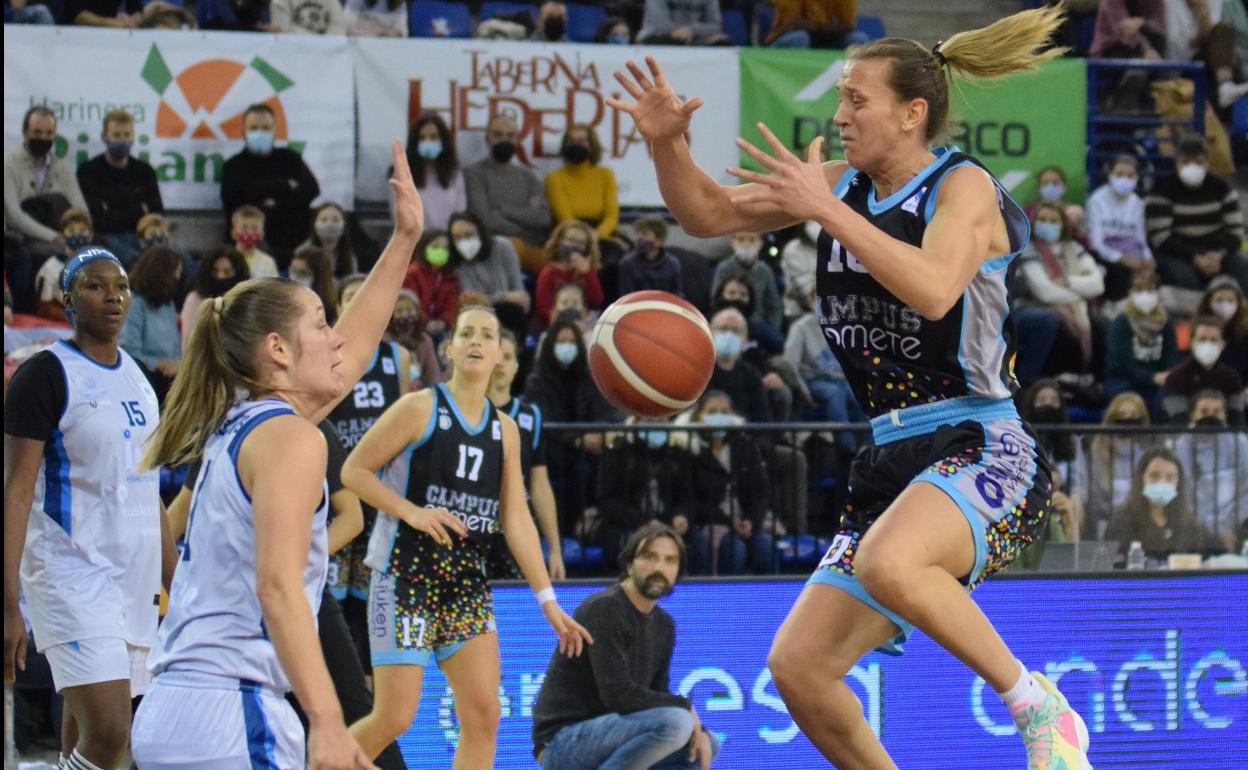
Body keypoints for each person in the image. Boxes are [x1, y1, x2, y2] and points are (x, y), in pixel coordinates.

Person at [608, 7, 1093, 767]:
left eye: (856, 101)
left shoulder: (961, 188)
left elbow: (934, 290)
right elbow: (705, 213)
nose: (838, 117)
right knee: (798, 669)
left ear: (913, 113)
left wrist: (825, 208)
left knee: (887, 564)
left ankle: (1040, 708)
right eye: (838, 99)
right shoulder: (838, 186)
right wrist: (667, 144)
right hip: (892, 456)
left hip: (985, 444)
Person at [128, 141, 417, 769]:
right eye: (319, 323)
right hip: (233, 711)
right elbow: (278, 585)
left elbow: (355, 350)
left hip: (175, 706)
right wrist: (328, 721)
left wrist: (404, 240)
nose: (334, 338)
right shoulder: (291, 439)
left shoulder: (248, 421)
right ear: (279, 350)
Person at [339, 305, 592, 763]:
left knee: (483, 713)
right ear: (450, 348)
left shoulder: (507, 430)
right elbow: (353, 470)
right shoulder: (418, 407)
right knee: (394, 716)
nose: (476, 341)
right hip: (404, 576)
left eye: (487, 336)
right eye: (467, 333)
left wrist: (547, 599)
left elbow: (516, 519)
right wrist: (411, 512)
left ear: (500, 355)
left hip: (464, 582)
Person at [5, 247, 177, 770]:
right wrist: (7, 601)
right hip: (71, 572)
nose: (113, 296)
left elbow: (150, 492)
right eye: (95, 286)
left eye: (121, 286)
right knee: (109, 732)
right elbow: (15, 491)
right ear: (68, 299)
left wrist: (181, 582)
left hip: (134, 574)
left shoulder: (142, 379)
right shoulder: (44, 374)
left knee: (84, 739)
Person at [163, 419, 409, 770]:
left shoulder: (318, 430)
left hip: (300, 596)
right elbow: (177, 515)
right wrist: (159, 581)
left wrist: (299, 564)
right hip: (236, 605)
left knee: (354, 708)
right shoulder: (231, 429)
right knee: (197, 718)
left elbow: (351, 518)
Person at [531, 523, 720, 770]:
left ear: (677, 572)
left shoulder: (665, 625)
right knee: (677, 724)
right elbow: (617, 695)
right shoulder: (604, 609)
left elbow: (657, 691)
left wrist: (698, 727)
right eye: (650, 557)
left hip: (615, 736)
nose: (659, 568)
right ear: (630, 565)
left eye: (669, 561)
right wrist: (685, 707)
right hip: (562, 742)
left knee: (705, 743)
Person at [326, 274, 413, 684]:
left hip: (377, 487)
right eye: (349, 297)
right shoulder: (324, 353)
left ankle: (368, 680)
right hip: (333, 484)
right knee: (331, 594)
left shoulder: (398, 357)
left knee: (368, 596)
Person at [525, 317, 621, 534]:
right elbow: (542, 418)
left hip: (590, 450)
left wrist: (598, 436)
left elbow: (604, 414)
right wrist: (577, 439)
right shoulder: (537, 381)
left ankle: (593, 521)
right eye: (561, 341)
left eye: (571, 341)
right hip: (554, 450)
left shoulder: (591, 378)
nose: (566, 346)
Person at [485, 329, 567, 580]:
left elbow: (540, 484)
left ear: (517, 365)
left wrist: (554, 549)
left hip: (516, 529)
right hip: (474, 527)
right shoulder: (463, 411)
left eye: (507, 357)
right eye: (495, 356)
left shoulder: (530, 417)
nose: (500, 364)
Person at [676, 392, 775, 575]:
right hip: (708, 523)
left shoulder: (745, 445)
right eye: (712, 412)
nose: (718, 417)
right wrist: (729, 521)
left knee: (765, 547)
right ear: (699, 416)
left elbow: (761, 490)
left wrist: (751, 521)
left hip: (745, 522)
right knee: (734, 550)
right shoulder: (688, 448)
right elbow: (687, 498)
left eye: (724, 412)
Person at [4, 106, 89, 313]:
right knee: (31, 257)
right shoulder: (9, 166)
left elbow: (81, 209)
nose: (43, 138)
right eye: (37, 133)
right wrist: (52, 237)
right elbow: (14, 215)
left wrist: (80, 232)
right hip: (23, 237)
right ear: (25, 133)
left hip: (62, 235)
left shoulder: (62, 168)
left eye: (48, 133)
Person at [1145, 134, 1248, 294]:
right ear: (1177, 162)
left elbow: (1235, 231)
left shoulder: (1221, 187)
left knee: (1243, 266)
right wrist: (1195, 258)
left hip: (1216, 250)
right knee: (1184, 277)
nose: (1192, 167)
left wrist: (1219, 255)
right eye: (1186, 162)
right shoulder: (1161, 189)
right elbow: (1160, 238)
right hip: (1177, 252)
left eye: (1199, 162)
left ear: (1207, 162)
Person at [1011, 201, 1105, 378]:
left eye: (1054, 221)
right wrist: (1080, 295)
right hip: (1035, 307)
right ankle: (1030, 382)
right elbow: (1045, 293)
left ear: (1063, 225)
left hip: (1076, 309)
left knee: (1100, 325)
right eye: (1043, 219)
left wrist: (1066, 282)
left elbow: (1097, 285)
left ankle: (1091, 382)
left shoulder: (1075, 249)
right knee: (1052, 323)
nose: (1047, 224)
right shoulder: (1028, 250)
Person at [221, 103, 321, 268]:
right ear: (243, 132)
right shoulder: (233, 166)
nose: (260, 132)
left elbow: (311, 189)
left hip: (292, 243)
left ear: (275, 130)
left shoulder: (291, 159)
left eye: (266, 128)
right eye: (254, 128)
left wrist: (272, 201)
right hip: (249, 247)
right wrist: (286, 185)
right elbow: (233, 201)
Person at [595, 416, 692, 566]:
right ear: (635, 422)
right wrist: (645, 522)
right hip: (626, 524)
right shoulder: (617, 452)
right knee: (634, 544)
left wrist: (681, 515)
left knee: (700, 543)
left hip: (667, 523)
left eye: (660, 421)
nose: (656, 426)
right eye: (650, 421)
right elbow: (607, 500)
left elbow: (686, 496)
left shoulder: (678, 454)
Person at [464, 114, 552, 272]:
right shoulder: (474, 173)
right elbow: (485, 219)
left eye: (510, 136)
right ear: (488, 139)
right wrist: (524, 228)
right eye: (498, 135)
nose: (504, 140)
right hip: (495, 246)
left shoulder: (529, 176)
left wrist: (504, 210)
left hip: (534, 247)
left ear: (517, 140)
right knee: (516, 247)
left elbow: (543, 219)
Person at [75, 110, 163, 266]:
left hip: (142, 238)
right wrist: (138, 212)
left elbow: (157, 214)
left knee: (179, 256)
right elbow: (98, 219)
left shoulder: (145, 171)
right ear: (104, 137)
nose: (122, 140)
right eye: (116, 135)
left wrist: (113, 212)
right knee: (132, 259)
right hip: (106, 239)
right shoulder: (89, 171)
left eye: (127, 135)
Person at [1104, 446, 1210, 565]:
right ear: (1141, 479)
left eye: (1170, 478)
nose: (1162, 483)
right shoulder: (1121, 522)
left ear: (1178, 483)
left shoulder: (1191, 526)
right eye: (1154, 476)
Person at [1075, 392, 1158, 541]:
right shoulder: (1097, 449)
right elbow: (1093, 496)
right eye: (1122, 414)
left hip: (1142, 523)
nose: (1127, 419)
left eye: (1133, 415)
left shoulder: (1150, 451)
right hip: (1105, 523)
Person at [1173, 389, 1247, 552]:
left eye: (1217, 412)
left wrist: (1231, 526)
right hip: (1197, 526)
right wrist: (1214, 530)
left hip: (1238, 524)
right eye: (1204, 411)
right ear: (1192, 415)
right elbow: (1186, 496)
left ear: (1225, 415)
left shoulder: (1240, 442)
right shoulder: (1181, 447)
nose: (1210, 416)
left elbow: (1246, 491)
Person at [448, 211, 531, 339]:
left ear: (480, 232)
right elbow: (473, 301)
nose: (463, 242)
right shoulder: (457, 264)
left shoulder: (503, 246)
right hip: (478, 315)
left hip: (509, 312)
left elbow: (519, 293)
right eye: (457, 238)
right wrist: (504, 296)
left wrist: (505, 298)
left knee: (514, 312)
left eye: (468, 235)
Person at [1105, 272, 1179, 411]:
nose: (1144, 295)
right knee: (1129, 404)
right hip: (1124, 379)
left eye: (1150, 290)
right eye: (1139, 290)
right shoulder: (1120, 322)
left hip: (1157, 379)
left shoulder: (1166, 322)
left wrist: (1168, 375)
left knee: (1168, 399)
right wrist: (1151, 377)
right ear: (1130, 293)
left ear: (1159, 293)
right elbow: (1122, 362)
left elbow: (1171, 354)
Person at [1084, 153, 1151, 301]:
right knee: (1121, 273)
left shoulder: (1137, 203)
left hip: (1132, 254)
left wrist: (1147, 257)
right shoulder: (1097, 201)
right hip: (1106, 255)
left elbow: (1140, 237)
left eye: (1130, 175)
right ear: (1110, 174)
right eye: (1119, 174)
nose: (1124, 179)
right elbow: (1096, 242)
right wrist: (1121, 258)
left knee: (1152, 274)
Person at [119, 245, 183, 400]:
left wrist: (177, 365)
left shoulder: (168, 303)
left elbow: (175, 346)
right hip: (143, 378)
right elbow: (128, 351)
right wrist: (158, 364)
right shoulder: (134, 304)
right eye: (175, 274)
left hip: (169, 378)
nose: (178, 279)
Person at [1160, 315, 1245, 425]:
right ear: (1191, 342)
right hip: (1185, 439)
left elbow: (1237, 420)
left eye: (1213, 340)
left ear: (1223, 344)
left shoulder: (1232, 378)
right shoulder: (1175, 377)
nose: (1208, 344)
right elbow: (1177, 420)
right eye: (1202, 339)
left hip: (1223, 438)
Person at [545, 124, 619, 242]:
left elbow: (611, 216)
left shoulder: (605, 174)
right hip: (569, 235)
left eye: (581, 141)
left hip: (600, 234)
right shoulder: (555, 178)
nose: (575, 145)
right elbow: (565, 219)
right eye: (571, 141)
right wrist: (586, 239)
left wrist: (597, 235)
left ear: (592, 145)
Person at [712, 231, 783, 344]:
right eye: (741, 239)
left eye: (752, 240)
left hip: (758, 323)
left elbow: (774, 305)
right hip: (729, 321)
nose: (746, 244)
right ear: (733, 243)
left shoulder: (765, 271)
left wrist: (774, 328)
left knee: (777, 342)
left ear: (760, 243)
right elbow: (715, 300)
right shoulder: (724, 268)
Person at [404, 114, 467, 232]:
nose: (428, 142)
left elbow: (460, 214)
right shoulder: (402, 176)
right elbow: (403, 220)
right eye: (422, 138)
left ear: (443, 141)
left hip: (450, 240)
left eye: (433, 137)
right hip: (416, 243)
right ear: (414, 143)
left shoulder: (454, 175)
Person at [535, 221, 605, 327]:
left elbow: (596, 301)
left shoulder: (588, 271)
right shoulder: (549, 272)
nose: (575, 245)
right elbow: (543, 308)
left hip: (586, 323)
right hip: (556, 325)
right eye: (571, 240)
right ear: (560, 241)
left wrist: (587, 273)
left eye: (580, 242)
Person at [180, 247, 249, 350]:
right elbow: (189, 342)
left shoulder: (244, 300)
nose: (220, 277)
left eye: (227, 272)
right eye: (215, 271)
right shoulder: (194, 300)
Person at [33, 209, 94, 322]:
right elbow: (44, 310)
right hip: (58, 327)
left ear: (90, 236)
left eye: (82, 231)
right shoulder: (50, 268)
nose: (77, 235)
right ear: (63, 236)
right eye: (71, 231)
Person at [402, 228, 460, 341]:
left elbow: (452, 306)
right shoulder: (412, 274)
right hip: (414, 327)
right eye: (435, 247)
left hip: (442, 329)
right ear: (424, 248)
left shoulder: (450, 277)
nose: (441, 251)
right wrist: (426, 323)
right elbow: (409, 304)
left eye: (445, 248)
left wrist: (443, 322)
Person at [1195, 276, 1248, 381]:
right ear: (1209, 301)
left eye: (1230, 300)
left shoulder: (1244, 331)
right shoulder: (1198, 329)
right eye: (1219, 300)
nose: (1225, 305)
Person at [618, 215, 684, 297]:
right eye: (638, 234)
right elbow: (626, 296)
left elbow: (677, 295)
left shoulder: (672, 264)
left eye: (645, 234)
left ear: (659, 240)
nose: (639, 238)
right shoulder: (627, 263)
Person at [303, 202, 360, 280]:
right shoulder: (303, 254)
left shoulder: (349, 258)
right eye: (323, 220)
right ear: (314, 224)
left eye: (335, 220)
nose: (329, 225)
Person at [638, 0, 728, 45]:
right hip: (657, 37)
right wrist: (693, 34)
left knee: (722, 42)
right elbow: (660, 25)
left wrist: (692, 30)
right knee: (674, 41)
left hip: (694, 38)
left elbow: (716, 25)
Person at [290, 245, 340, 325]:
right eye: (293, 271)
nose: (295, 277)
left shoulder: (330, 313)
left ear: (319, 278)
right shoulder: (284, 303)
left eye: (302, 273)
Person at [781, 221, 819, 321]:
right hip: (800, 314)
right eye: (813, 220)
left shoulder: (838, 246)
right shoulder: (793, 249)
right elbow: (807, 293)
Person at [230, 205, 279, 279]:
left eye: (255, 228)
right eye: (244, 228)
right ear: (234, 233)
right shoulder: (226, 260)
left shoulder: (268, 263)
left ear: (262, 234)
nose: (249, 232)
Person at [270, 0, 351, 34]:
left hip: (325, 53)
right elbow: (282, 28)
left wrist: (326, 44)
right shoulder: (280, 2)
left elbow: (338, 26)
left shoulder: (332, 2)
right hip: (291, 51)